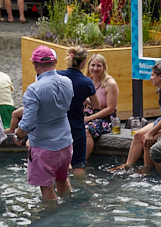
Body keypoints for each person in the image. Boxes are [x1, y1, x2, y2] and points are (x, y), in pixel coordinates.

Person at [15, 46, 75, 201]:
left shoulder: (33, 90)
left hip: (44, 147)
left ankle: (52, 221)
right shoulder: (67, 82)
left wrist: (18, 135)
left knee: (47, 188)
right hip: (66, 143)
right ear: (54, 61)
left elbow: (27, 124)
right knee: (63, 180)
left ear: (34, 64)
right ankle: (68, 210)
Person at [57, 46, 98, 174]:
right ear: (84, 62)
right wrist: (84, 96)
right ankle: (81, 191)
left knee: (57, 163)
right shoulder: (86, 82)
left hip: (58, 125)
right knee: (78, 164)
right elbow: (96, 104)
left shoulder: (57, 75)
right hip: (76, 126)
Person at [84, 53, 120, 158]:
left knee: (86, 131)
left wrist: (89, 118)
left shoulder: (110, 83)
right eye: (93, 65)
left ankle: (81, 163)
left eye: (99, 66)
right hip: (88, 112)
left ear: (104, 67)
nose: (95, 68)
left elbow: (110, 108)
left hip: (106, 117)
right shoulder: (87, 80)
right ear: (88, 66)